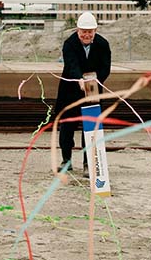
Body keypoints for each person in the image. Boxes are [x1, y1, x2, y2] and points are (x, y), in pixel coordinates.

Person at [54, 11, 111, 177]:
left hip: (92, 91)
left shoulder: (103, 44)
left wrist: (95, 80)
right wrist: (79, 78)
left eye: (90, 32)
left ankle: (89, 163)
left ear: (95, 31)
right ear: (78, 30)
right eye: (83, 32)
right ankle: (67, 161)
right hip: (70, 90)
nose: (86, 35)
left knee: (90, 127)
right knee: (67, 126)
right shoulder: (69, 44)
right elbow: (71, 64)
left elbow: (105, 67)